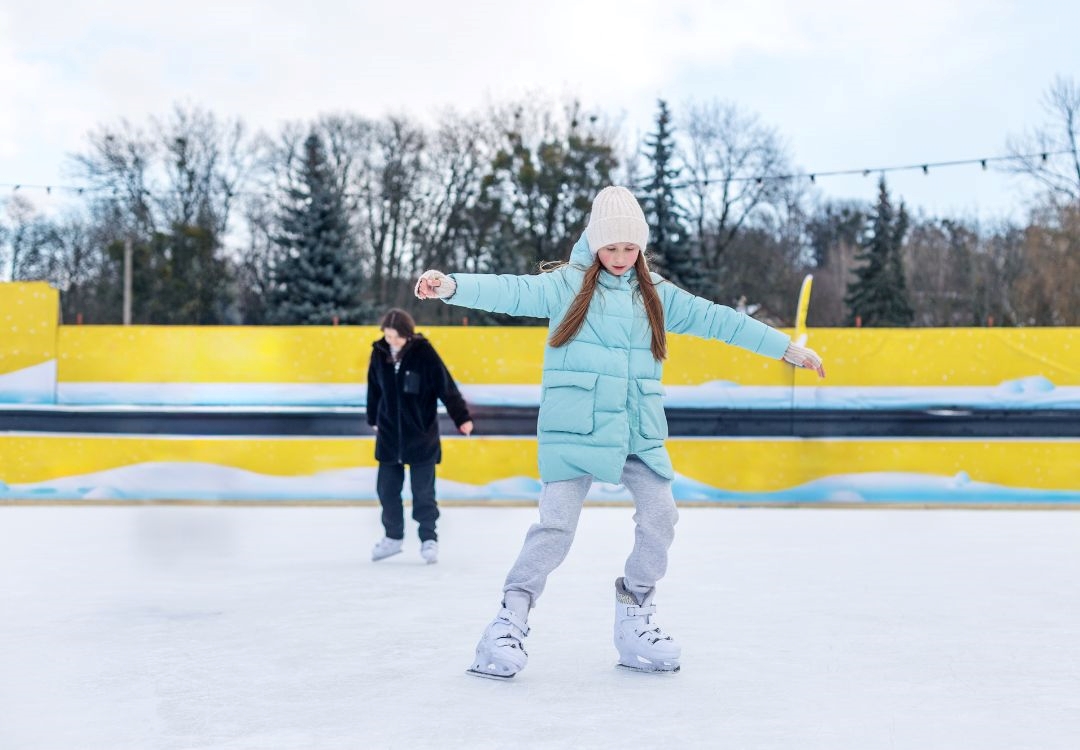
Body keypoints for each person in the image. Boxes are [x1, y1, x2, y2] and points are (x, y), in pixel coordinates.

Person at [415, 186, 825, 677]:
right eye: (611, 247)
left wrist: (784, 348)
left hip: (637, 429)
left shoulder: (655, 296)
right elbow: (512, 290)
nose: (620, 257)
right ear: (593, 244)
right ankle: (508, 621)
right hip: (574, 427)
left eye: (630, 248)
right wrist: (451, 285)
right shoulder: (565, 287)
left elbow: (720, 320)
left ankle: (635, 610)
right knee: (555, 529)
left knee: (661, 517)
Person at [366, 308, 473, 565]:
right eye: (388, 336)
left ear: (407, 334)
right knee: (387, 490)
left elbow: (446, 387)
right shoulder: (379, 353)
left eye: (395, 337)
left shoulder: (424, 353)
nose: (391, 341)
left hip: (421, 435)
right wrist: (373, 419)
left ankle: (429, 539)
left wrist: (462, 418)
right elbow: (373, 389)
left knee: (423, 493)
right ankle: (393, 538)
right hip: (390, 436)